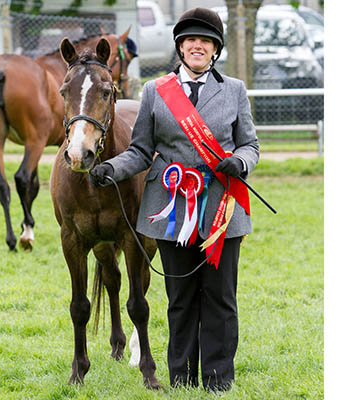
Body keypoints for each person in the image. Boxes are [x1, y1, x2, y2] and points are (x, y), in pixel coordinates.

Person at [90, 7, 259, 392]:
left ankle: (218, 381)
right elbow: (139, 150)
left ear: (215, 49)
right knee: (180, 298)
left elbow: (251, 144)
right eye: (190, 40)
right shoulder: (155, 91)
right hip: (170, 208)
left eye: (206, 41)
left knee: (220, 298)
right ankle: (181, 379)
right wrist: (112, 169)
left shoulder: (233, 90)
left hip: (221, 208)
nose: (197, 46)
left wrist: (240, 162)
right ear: (180, 47)